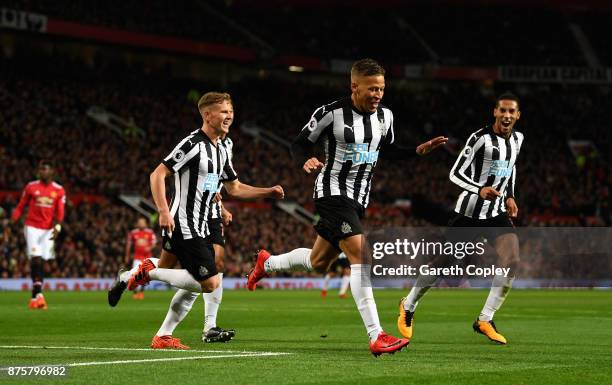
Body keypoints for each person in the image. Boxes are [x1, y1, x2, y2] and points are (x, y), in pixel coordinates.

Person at [247, 58, 447, 356]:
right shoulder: (331, 113)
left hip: (359, 198)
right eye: (371, 89)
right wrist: (305, 159)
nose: (378, 94)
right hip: (332, 192)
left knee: (319, 262)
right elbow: (299, 143)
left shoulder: (385, 117)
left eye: (381, 88)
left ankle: (268, 262)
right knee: (361, 254)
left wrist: (416, 152)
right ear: (354, 86)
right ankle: (376, 334)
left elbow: (387, 150)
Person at [113, 92, 284, 349]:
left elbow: (234, 188)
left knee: (182, 273)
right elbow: (157, 174)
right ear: (207, 115)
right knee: (211, 281)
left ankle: (158, 326)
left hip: (203, 223)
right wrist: (162, 211)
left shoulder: (222, 148)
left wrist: (267, 191)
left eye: (231, 111)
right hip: (183, 221)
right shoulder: (192, 143)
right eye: (223, 111)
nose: (229, 116)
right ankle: (147, 271)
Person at [397, 92, 524, 345]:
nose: (507, 115)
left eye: (512, 111)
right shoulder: (479, 139)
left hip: (495, 214)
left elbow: (510, 169)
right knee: (441, 264)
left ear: (518, 115)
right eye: (503, 111)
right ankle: (408, 304)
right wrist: (479, 189)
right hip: (468, 213)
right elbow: (455, 173)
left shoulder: (519, 139)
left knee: (512, 259)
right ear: (495, 112)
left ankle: (485, 319)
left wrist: (510, 196)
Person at [11, 160, 66, 310]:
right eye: (41, 169)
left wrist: (58, 226)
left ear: (51, 172)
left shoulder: (59, 190)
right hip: (32, 227)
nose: (42, 172)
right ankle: (39, 294)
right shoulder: (31, 186)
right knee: (36, 258)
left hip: (48, 229)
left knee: (42, 261)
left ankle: (34, 296)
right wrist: (12, 220)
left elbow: (60, 211)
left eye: (45, 169)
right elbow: (21, 206)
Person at [125, 217, 156, 300]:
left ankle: (141, 292)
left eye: (142, 222)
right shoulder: (133, 233)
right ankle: (135, 293)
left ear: (145, 224)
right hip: (137, 257)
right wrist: (127, 256)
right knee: (134, 274)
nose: (141, 223)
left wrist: (149, 248)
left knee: (145, 275)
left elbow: (154, 243)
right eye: (140, 222)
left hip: (147, 257)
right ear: (137, 223)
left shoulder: (150, 232)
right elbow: (129, 245)